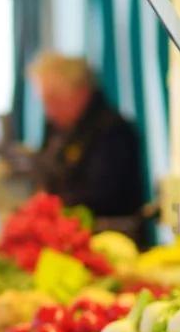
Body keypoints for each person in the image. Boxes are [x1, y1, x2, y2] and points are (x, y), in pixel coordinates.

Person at [28, 53, 148, 246]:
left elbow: (103, 196)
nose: (49, 111)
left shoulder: (114, 131)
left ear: (82, 92)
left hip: (107, 243)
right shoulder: (57, 130)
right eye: (45, 101)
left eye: (55, 99)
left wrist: (52, 206)